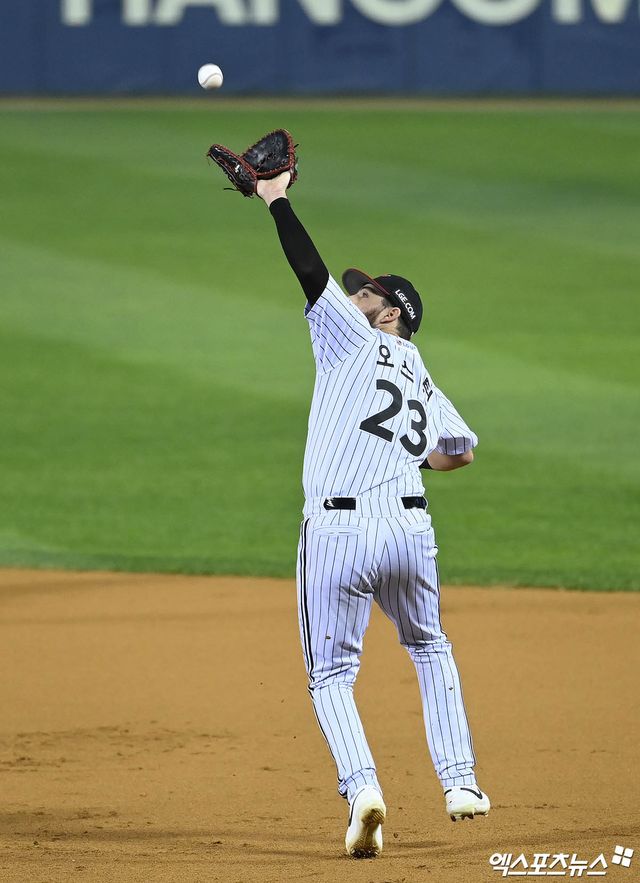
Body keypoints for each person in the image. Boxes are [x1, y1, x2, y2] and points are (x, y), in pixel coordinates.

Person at [256, 171, 490, 859]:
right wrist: (402, 457)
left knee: (331, 676)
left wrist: (276, 197)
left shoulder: (350, 339)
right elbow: (460, 453)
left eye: (368, 294)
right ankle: (461, 783)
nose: (353, 297)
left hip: (337, 533)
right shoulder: (420, 370)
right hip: (411, 529)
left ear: (390, 314)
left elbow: (306, 267)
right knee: (429, 645)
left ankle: (363, 792)